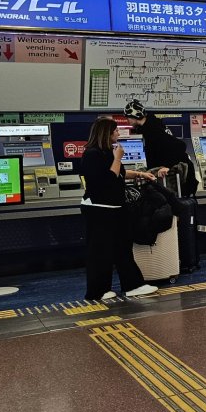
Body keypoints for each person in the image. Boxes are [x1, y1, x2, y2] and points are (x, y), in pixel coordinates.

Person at [81, 116, 159, 301]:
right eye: (115, 130)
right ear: (106, 133)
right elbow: (108, 179)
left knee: (122, 247)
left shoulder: (107, 152)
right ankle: (96, 291)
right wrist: (117, 158)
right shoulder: (92, 154)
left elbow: (121, 174)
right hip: (99, 209)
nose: (118, 133)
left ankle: (132, 285)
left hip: (114, 208)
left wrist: (141, 174)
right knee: (100, 252)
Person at [124, 100, 197, 196]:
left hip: (175, 180)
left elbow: (180, 146)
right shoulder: (151, 126)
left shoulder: (153, 129)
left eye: (128, 117)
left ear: (135, 116)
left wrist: (167, 166)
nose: (127, 120)